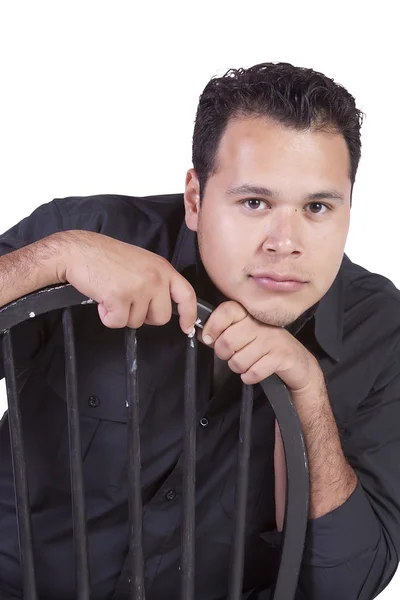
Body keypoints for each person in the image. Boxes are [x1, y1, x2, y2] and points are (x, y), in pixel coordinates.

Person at [0, 62, 399, 600]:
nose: (286, 242)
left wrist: (307, 395)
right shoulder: (90, 236)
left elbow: (346, 586)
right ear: (195, 199)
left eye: (318, 207)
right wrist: (54, 259)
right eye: (255, 203)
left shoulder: (378, 327)